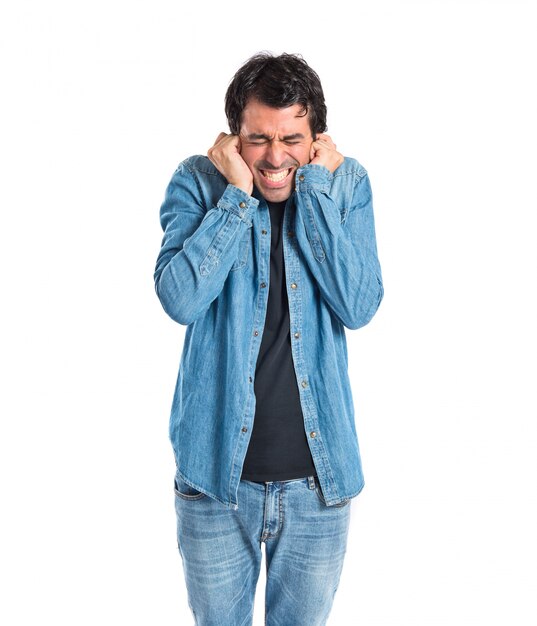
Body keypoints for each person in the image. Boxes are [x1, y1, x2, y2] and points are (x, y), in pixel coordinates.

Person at [154, 52, 383, 626]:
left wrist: (319, 197)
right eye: (257, 139)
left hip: (317, 485)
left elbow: (359, 305)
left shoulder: (346, 184)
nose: (275, 157)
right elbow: (178, 299)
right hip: (213, 483)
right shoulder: (198, 182)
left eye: (292, 139)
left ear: (316, 139)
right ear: (235, 137)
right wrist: (235, 198)